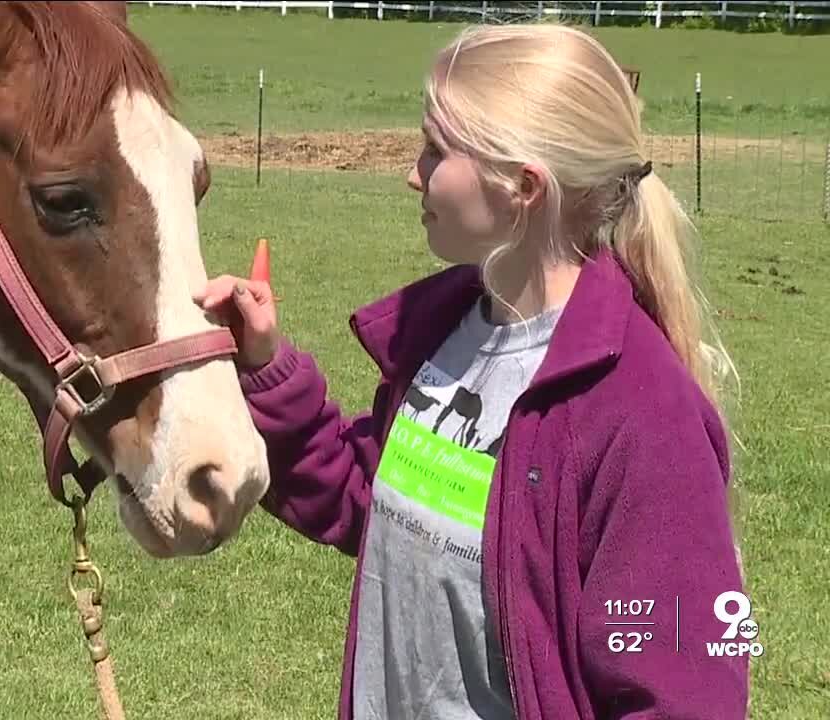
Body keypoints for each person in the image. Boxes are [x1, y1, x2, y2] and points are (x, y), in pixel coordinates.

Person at [195, 21, 749, 720]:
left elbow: (686, 693)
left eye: (436, 150)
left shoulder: (646, 417)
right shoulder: (447, 338)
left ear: (522, 186)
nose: (411, 173)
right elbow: (367, 497)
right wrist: (268, 366)